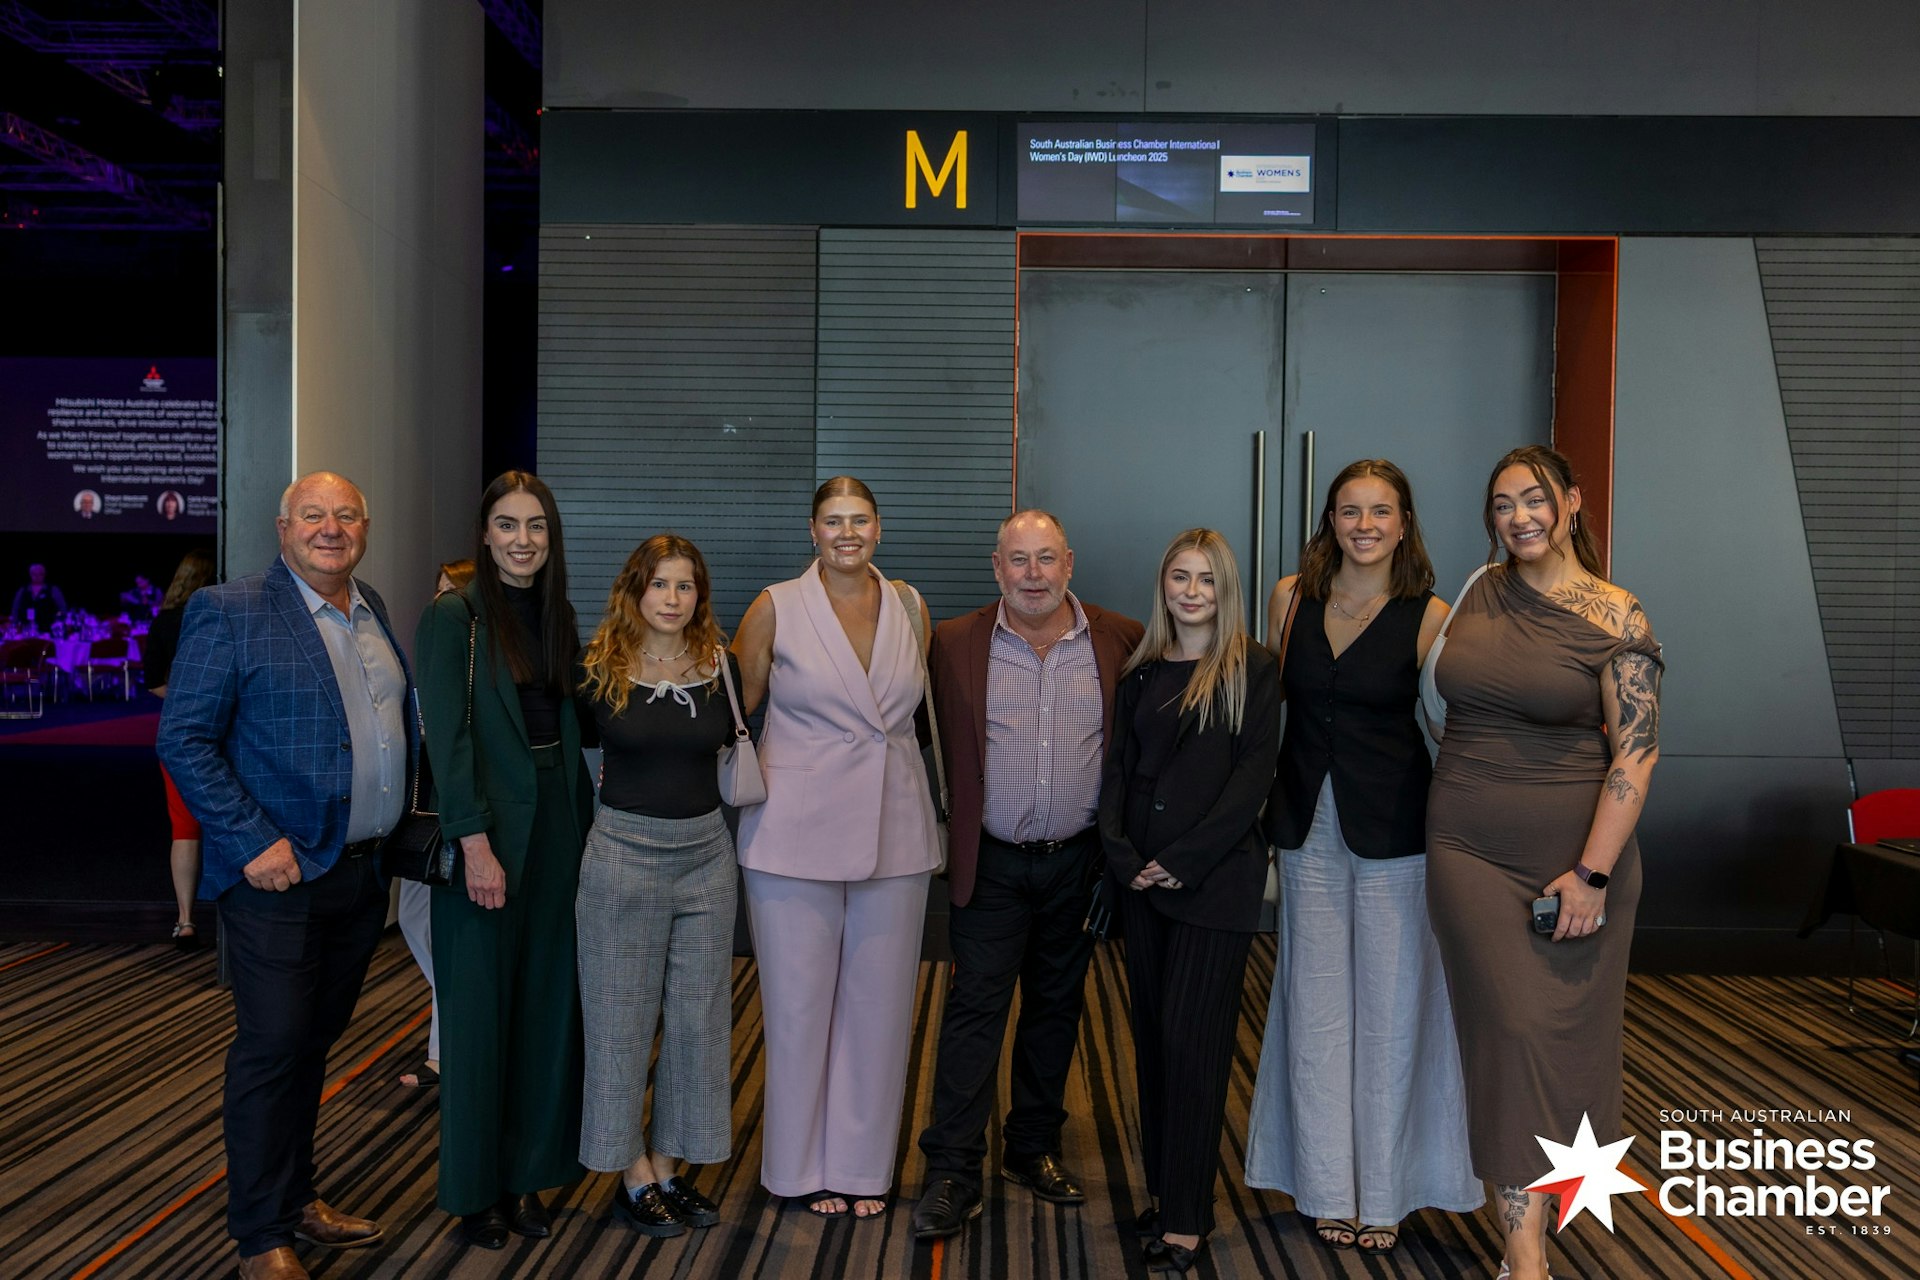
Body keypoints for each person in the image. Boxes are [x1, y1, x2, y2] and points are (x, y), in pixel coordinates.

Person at [156, 472, 408, 1280]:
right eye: (313, 515)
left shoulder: (371, 607)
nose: (331, 528)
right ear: (282, 528)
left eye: (346, 515)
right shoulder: (229, 610)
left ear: (365, 527)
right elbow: (183, 738)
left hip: (359, 873)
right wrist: (251, 840)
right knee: (271, 1051)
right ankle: (261, 1232)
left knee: (311, 1045)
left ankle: (297, 1197)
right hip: (278, 879)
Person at [1425, 446, 1662, 1280]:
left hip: (1577, 859)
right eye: (1502, 504)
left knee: (1560, 1041)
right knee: (1505, 1033)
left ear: (1572, 503)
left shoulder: (1617, 614)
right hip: (1464, 850)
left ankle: (1546, 1209)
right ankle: (1522, 1252)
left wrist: (1592, 875)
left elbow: (1636, 755)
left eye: (1534, 499)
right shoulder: (1477, 591)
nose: (1519, 516)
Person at [1243, 460, 1480, 1255]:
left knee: (1392, 1012)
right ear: (1331, 521)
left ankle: (1384, 1194)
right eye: (1350, 511)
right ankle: (1324, 1187)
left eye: (1381, 512)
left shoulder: (1430, 615)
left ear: (1404, 524)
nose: (1365, 526)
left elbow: (1450, 729)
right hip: (1304, 824)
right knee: (1313, 1008)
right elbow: (1264, 711)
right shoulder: (1289, 599)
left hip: (1397, 834)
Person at [910, 510, 1143, 1241]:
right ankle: (952, 1168)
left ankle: (1031, 1147)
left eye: (1046, 558)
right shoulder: (954, 642)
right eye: (1019, 559)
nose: (1033, 574)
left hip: (1078, 861)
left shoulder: (1120, 639)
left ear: (1069, 563)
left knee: (1055, 1008)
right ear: (997, 567)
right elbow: (914, 737)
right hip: (992, 862)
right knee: (974, 1011)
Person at [731, 475, 941, 1220]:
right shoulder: (775, 605)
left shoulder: (911, 606)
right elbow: (738, 711)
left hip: (896, 829)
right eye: (832, 520)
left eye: (859, 520)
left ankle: (861, 1169)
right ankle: (797, 1169)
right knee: (797, 1010)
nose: (846, 533)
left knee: (880, 1012)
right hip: (793, 834)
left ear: (879, 528)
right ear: (812, 530)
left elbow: (916, 719)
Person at [415, 472, 596, 1249]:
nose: (523, 540)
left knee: (549, 1007)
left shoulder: (558, 615)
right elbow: (448, 741)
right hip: (486, 829)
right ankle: (475, 1191)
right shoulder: (452, 617)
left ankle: (527, 1178)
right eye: (508, 525)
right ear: (485, 535)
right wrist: (474, 843)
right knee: (479, 1018)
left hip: (559, 819)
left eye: (536, 526)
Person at [1100, 528, 1280, 1275]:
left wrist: (1182, 861)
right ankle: (1167, 1193)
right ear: (1164, 585)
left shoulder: (1253, 669)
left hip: (1214, 883)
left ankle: (1186, 1220)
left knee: (1192, 1046)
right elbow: (1117, 771)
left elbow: (1252, 779)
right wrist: (1124, 857)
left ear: (1225, 589)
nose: (1192, 592)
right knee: (1151, 1041)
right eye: (1180, 577)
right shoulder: (1141, 671)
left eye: (1207, 579)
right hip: (1142, 883)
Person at [576, 535, 740, 1236]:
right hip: (622, 857)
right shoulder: (596, 668)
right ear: (635, 590)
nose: (673, 599)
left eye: (686, 586)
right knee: (620, 1021)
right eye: (660, 584)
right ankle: (632, 1172)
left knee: (700, 1021)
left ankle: (671, 1165)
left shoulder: (720, 666)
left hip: (707, 857)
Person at [395, 559, 474, 1091]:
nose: (441, 602)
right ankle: (452, 1036)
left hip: (460, 819)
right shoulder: (431, 658)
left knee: (442, 934)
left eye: (452, 593)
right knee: (416, 922)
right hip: (424, 820)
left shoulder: (478, 665)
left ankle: (447, 1051)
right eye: (438, 591)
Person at [144, 548, 217, 947]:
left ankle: (185, 920)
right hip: (223, 731)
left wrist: (186, 701)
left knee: (184, 830)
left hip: (178, 734)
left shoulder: (165, 621)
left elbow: (153, 683)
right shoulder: (218, 615)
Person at [10, 563, 66, 631]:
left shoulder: (53, 590)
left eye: (40, 574)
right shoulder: (23, 590)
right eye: (34, 574)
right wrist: (16, 625)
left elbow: (62, 609)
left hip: (48, 630)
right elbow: (15, 609)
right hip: (26, 629)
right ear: (30, 575)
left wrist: (57, 621)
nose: (37, 576)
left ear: (44, 575)